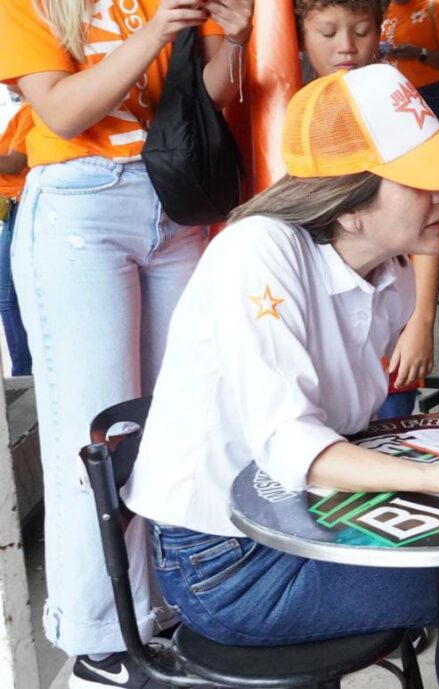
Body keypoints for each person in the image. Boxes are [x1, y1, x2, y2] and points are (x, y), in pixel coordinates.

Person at [121, 64, 439, 662]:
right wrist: (438, 478)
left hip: (300, 519)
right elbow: (291, 446)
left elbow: (344, 430)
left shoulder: (391, 274)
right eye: (422, 181)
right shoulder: (257, 251)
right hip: (231, 562)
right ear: (349, 205)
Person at [0, 0, 251, 684]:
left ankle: (168, 607)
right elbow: (62, 113)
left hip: (172, 199)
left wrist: (230, 38)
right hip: (80, 204)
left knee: (174, 420)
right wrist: (155, 31)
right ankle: (100, 635)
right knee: (96, 430)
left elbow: (200, 97)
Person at [294, 0, 439, 419]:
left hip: (390, 316)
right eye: (328, 33)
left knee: (391, 429)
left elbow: (432, 222)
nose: (346, 47)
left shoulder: (397, 103)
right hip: (319, 330)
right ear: (301, 34)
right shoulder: (289, 103)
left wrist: (422, 323)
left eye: (361, 32)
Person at [380, 0, 439, 133]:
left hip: (432, 94)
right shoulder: (382, 11)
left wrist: (420, 53)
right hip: (395, 97)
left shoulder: (436, 8)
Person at [0, 96, 32, 376]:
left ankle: (24, 372)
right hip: (15, 205)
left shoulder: (32, 109)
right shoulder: (26, 110)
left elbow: (13, 164)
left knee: (9, 296)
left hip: (21, 203)